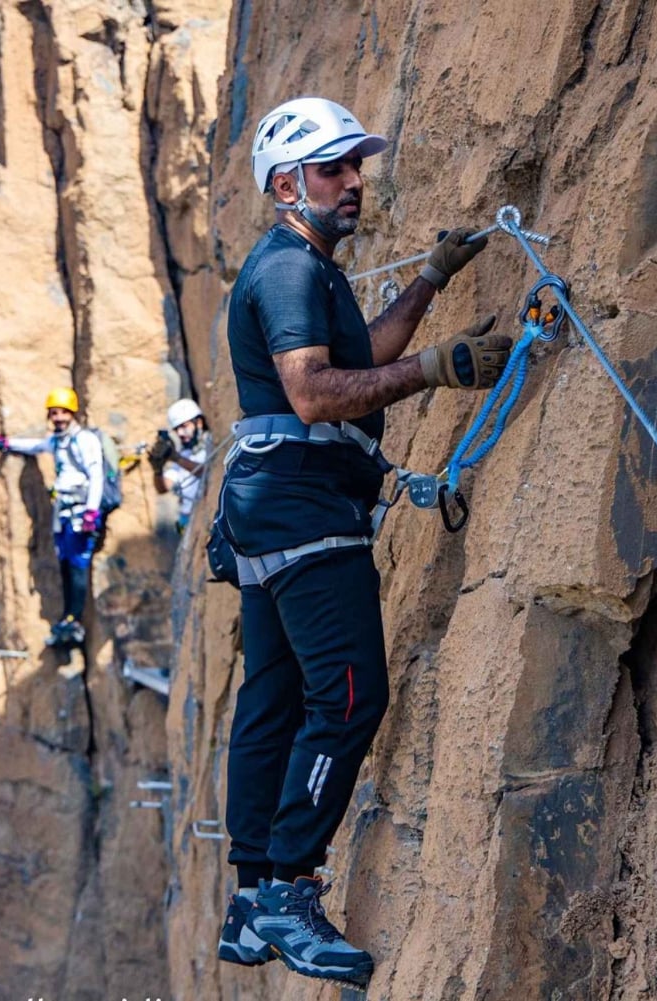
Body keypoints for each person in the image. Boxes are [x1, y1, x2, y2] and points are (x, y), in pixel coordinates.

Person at [215, 96, 512, 988]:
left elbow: (357, 353)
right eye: (333, 168)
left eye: (355, 165)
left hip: (275, 509)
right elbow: (314, 393)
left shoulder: (305, 268)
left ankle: (249, 895)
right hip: (305, 513)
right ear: (284, 184)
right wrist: (433, 370)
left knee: (273, 698)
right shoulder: (288, 273)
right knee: (347, 698)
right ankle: (288, 889)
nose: (353, 181)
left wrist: (430, 284)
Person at [0, 387, 105, 650]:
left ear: (72, 412)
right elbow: (36, 446)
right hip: (64, 511)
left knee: (77, 564)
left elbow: (96, 474)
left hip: (81, 511)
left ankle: (75, 619)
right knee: (65, 563)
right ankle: (67, 617)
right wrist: (8, 444)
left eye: (63, 412)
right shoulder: (58, 441)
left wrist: (91, 510)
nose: (58, 418)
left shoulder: (84, 440)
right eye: (54, 413)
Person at [149, 398, 210, 529]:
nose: (180, 433)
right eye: (176, 429)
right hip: (188, 520)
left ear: (198, 422)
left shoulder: (211, 445)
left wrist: (176, 457)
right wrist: (157, 469)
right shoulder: (185, 454)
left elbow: (205, 472)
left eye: (184, 426)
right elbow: (163, 488)